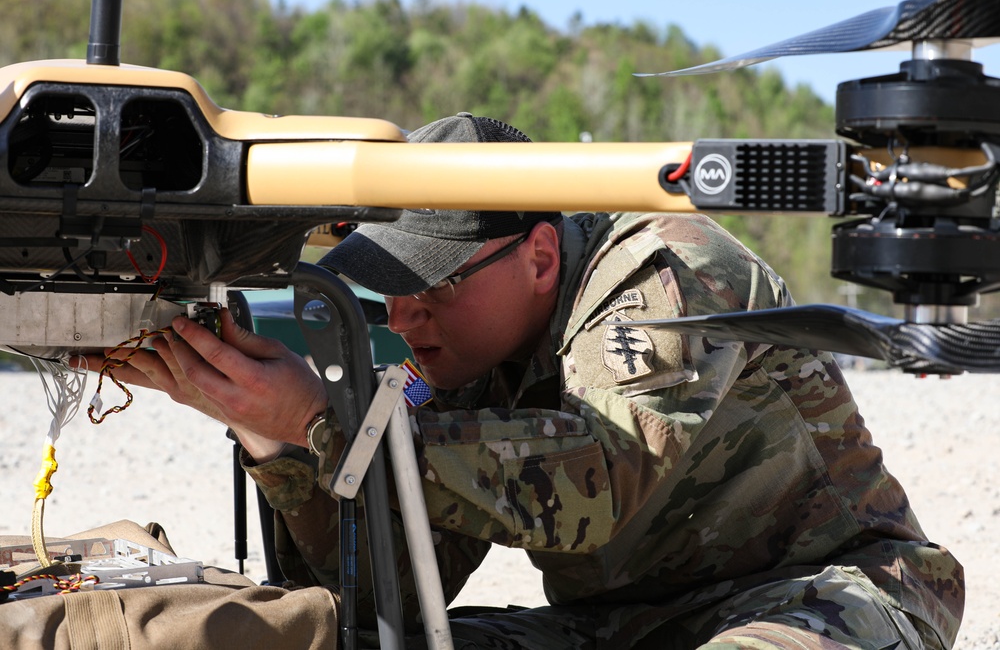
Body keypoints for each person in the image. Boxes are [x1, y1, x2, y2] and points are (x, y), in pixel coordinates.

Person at [84, 113, 964, 649]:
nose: (403, 316)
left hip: (823, 593)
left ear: (540, 255)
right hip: (622, 624)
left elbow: (602, 477)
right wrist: (270, 432)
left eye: (432, 284)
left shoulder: (667, 263)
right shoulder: (463, 357)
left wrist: (331, 423)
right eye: (391, 290)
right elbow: (394, 579)